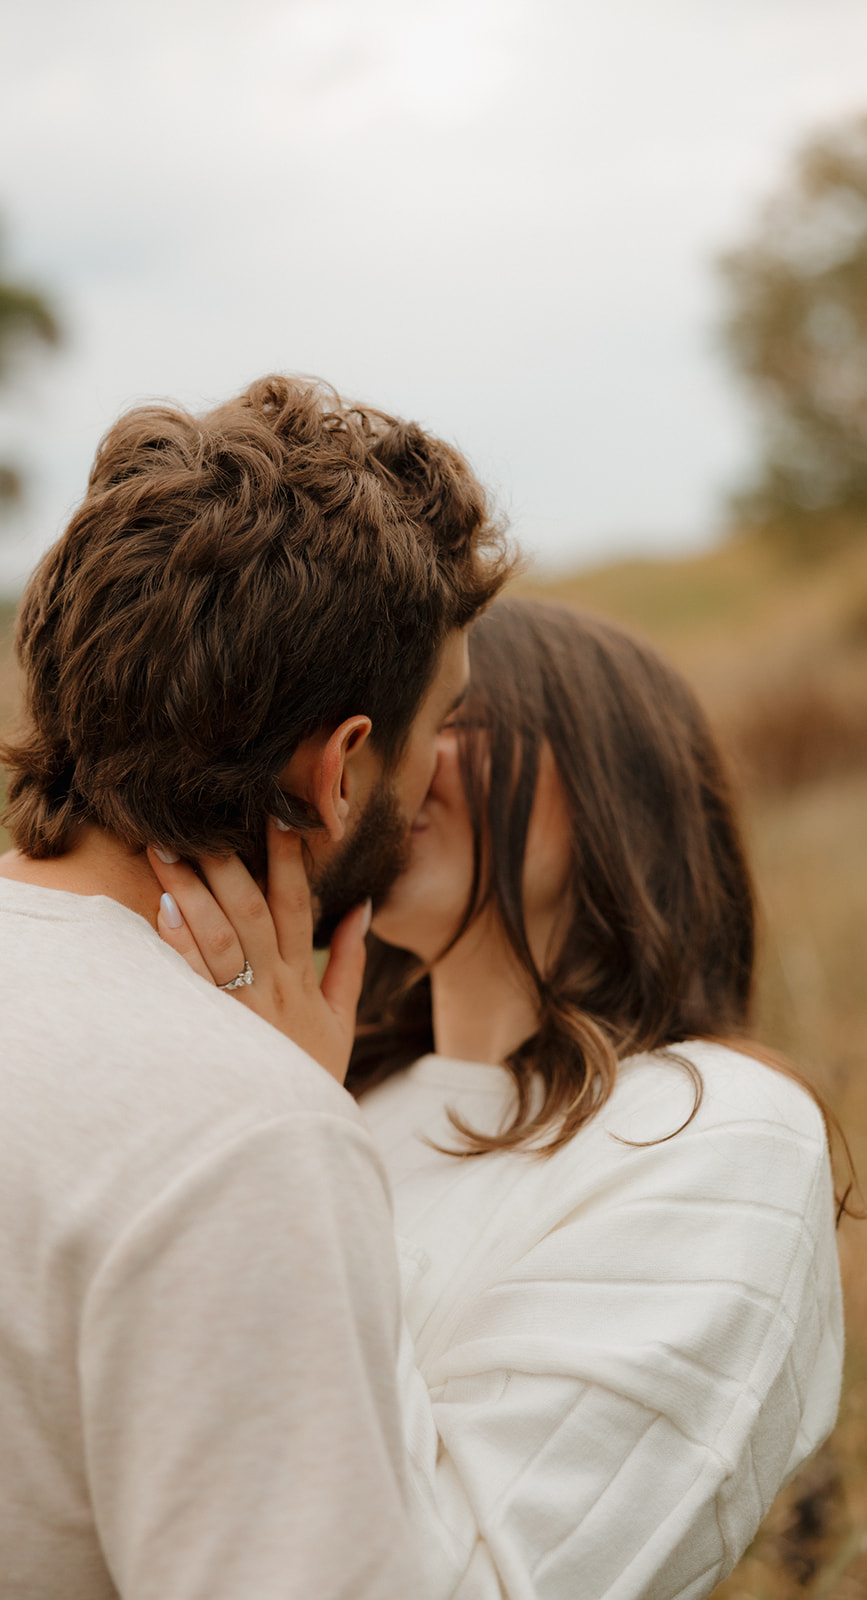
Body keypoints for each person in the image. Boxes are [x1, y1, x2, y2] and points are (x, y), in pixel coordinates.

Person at [0, 374, 509, 1599]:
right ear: (340, 768)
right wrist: (269, 1104)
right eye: (436, 723)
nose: (440, 773)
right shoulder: (248, 1139)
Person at [155, 595, 846, 1600]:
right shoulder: (342, 1096)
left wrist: (281, 1131)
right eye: (371, 730)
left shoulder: (716, 1126)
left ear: (614, 770)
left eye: (446, 721)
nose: (387, 765)